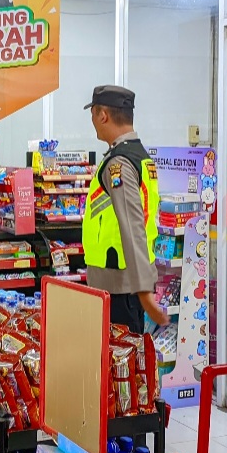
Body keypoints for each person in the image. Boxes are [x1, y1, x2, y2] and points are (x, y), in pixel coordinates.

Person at [83, 85, 169, 334]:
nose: (92, 121)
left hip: (119, 288)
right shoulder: (140, 157)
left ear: (103, 116)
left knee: (120, 355)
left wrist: (144, 291)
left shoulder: (118, 164)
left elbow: (132, 227)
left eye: (92, 114)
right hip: (122, 285)